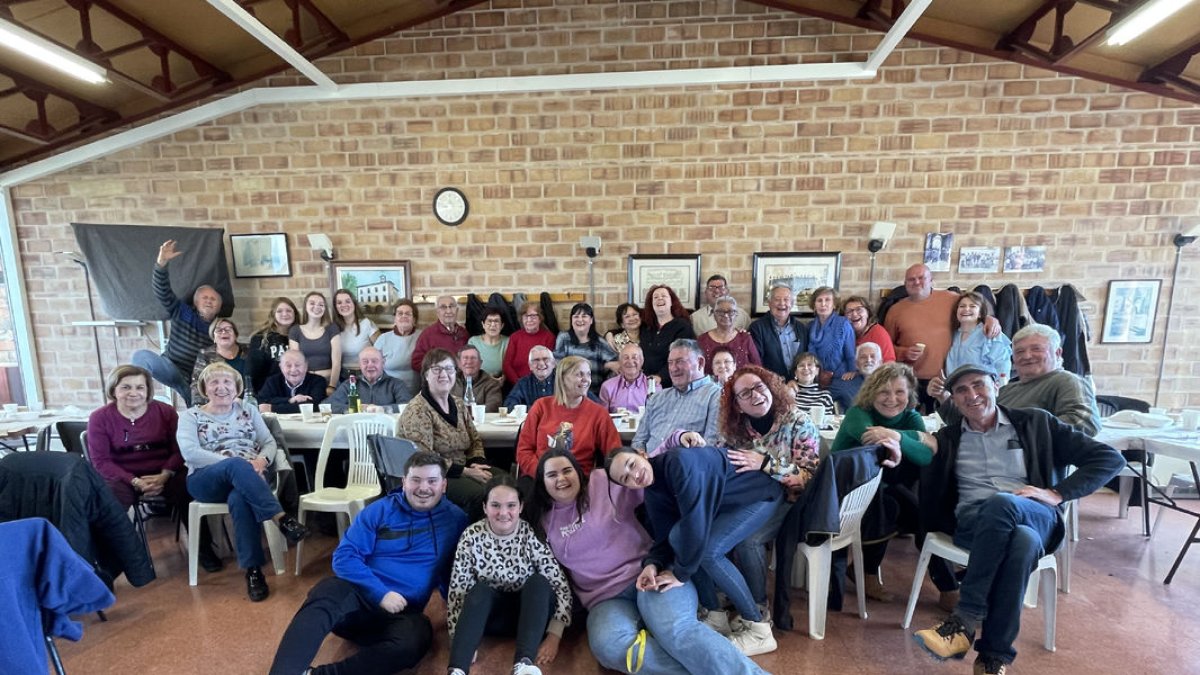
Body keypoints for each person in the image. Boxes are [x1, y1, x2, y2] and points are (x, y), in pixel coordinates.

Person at [912, 365, 1123, 675]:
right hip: (975, 523)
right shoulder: (948, 437)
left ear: (997, 386)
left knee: (1004, 504)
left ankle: (965, 619)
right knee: (1021, 542)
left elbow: (1109, 459)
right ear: (953, 400)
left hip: (1035, 513)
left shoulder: (1036, 424)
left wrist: (1057, 493)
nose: (972, 395)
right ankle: (993, 657)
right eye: (961, 390)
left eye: (978, 385)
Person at [527, 450, 767, 675]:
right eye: (552, 474)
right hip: (604, 600)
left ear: (578, 472)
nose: (561, 479)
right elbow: (553, 579)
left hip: (650, 573)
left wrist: (678, 438)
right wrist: (555, 632)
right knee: (609, 648)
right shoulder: (541, 522)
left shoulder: (602, 483)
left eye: (567, 470)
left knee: (676, 631)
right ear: (542, 482)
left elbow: (644, 469)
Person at [268, 451, 468, 675]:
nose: (424, 488)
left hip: (402, 612)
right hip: (357, 602)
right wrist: (380, 594)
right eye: (416, 480)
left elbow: (454, 570)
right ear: (404, 482)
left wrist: (459, 617)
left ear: (444, 485)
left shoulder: (456, 519)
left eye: (432, 481)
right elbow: (344, 557)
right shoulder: (380, 510)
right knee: (326, 592)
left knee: (417, 638)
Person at [607, 445, 781, 657]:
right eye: (626, 479)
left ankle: (759, 628)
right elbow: (664, 536)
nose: (634, 475)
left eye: (632, 464)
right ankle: (716, 617)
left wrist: (681, 574)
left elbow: (695, 524)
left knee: (708, 551)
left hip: (759, 495)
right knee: (678, 537)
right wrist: (652, 564)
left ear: (643, 454)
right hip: (727, 504)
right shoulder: (652, 491)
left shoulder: (679, 463)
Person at [177, 362, 310, 601]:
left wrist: (260, 462)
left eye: (227, 382)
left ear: (236, 387)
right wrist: (236, 465)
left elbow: (269, 443)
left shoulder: (248, 409)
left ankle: (253, 571)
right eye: (214, 382)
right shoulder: (190, 416)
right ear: (204, 388)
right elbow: (190, 453)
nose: (221, 387)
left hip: (251, 475)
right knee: (236, 465)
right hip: (206, 478)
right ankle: (282, 518)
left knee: (240, 498)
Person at [830, 362, 954, 606]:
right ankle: (868, 572)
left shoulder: (911, 417)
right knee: (899, 507)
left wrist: (896, 435)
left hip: (885, 490)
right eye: (884, 392)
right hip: (845, 493)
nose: (891, 399)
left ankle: (948, 588)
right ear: (871, 393)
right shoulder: (858, 414)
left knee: (916, 513)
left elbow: (924, 457)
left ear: (909, 395)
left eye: (900, 392)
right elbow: (877, 446)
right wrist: (917, 438)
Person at [719, 364, 821, 619]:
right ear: (737, 404)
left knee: (748, 540)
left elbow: (807, 477)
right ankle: (727, 592)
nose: (755, 395)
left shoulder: (798, 421)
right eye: (745, 394)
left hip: (793, 502)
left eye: (759, 387)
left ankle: (758, 608)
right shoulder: (737, 429)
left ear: (771, 388)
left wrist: (764, 464)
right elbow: (723, 461)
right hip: (752, 500)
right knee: (715, 526)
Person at [446, 475, 572, 675]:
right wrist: (460, 641)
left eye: (511, 505)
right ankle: (457, 670)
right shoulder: (471, 536)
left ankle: (523, 664)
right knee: (478, 590)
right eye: (495, 505)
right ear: (485, 507)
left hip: (530, 617)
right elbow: (457, 592)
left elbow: (559, 584)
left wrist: (554, 636)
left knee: (539, 582)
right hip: (490, 617)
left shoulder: (530, 534)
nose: (503, 513)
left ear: (521, 507)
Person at [930, 324, 1100, 437]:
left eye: (1036, 349)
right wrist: (944, 397)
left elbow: (1084, 423)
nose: (1027, 356)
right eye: (1019, 352)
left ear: (1057, 353)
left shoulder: (1067, 382)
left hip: (1029, 469)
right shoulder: (1008, 389)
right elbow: (968, 423)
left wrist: (1011, 434)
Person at [86, 364, 194, 537]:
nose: (133, 393)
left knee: (189, 485)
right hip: (122, 476)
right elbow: (101, 462)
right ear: (114, 390)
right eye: (126, 387)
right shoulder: (99, 418)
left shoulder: (166, 412)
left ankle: (203, 548)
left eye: (140, 387)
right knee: (109, 499)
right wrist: (134, 481)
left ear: (148, 390)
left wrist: (164, 475)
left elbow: (180, 450)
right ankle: (117, 555)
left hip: (165, 472)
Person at [884, 264, 999, 412]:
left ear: (931, 280)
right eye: (911, 279)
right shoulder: (895, 310)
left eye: (921, 278)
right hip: (910, 379)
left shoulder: (950, 299)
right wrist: (904, 352)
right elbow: (886, 347)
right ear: (905, 283)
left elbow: (974, 307)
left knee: (946, 421)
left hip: (947, 379)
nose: (916, 282)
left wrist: (989, 318)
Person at [397, 349, 494, 519]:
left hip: (465, 467)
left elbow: (475, 439)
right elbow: (424, 457)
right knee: (480, 494)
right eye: (437, 369)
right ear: (426, 375)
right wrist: (466, 472)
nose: (444, 374)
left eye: (449, 369)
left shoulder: (458, 403)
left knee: (504, 483)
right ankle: (470, 541)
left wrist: (475, 463)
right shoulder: (417, 410)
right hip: (433, 476)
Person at [132, 239, 223, 405]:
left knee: (198, 406)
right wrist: (162, 263)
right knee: (141, 356)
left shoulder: (220, 327)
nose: (209, 301)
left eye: (213, 299)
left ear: (219, 307)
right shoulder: (182, 311)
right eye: (205, 298)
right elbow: (162, 290)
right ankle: (138, 397)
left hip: (191, 378)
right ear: (195, 302)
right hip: (170, 366)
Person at [516, 356, 621, 478]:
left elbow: (614, 453)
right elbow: (524, 451)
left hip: (579, 481)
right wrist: (543, 474)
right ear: (562, 378)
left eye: (588, 374)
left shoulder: (599, 413)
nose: (586, 380)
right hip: (540, 477)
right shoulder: (541, 406)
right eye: (579, 374)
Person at [631, 339, 721, 453]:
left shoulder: (716, 396)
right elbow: (639, 441)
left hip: (682, 467)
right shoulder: (657, 398)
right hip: (646, 466)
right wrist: (642, 460)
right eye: (670, 362)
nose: (673, 368)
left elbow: (710, 448)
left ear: (700, 363)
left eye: (680, 361)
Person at [806, 286, 858, 411]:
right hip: (816, 378)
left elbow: (850, 353)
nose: (823, 304)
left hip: (840, 376)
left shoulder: (843, 324)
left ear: (834, 305)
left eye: (827, 300)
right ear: (814, 305)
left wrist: (852, 371)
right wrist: (819, 374)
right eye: (819, 300)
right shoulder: (810, 326)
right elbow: (808, 356)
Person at [944, 291, 1013, 384]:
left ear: (980, 313)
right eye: (962, 306)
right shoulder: (954, 335)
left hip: (984, 392)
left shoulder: (991, 335)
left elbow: (1002, 366)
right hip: (956, 391)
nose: (966, 309)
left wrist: (1000, 392)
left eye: (972, 306)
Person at [552, 302, 618, 394]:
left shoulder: (600, 342)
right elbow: (558, 366)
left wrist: (606, 367)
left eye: (584, 316)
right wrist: (602, 365)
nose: (580, 319)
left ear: (591, 320)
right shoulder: (563, 338)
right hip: (568, 393)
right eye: (576, 316)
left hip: (594, 394)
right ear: (571, 320)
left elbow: (615, 365)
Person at [748, 283, 807, 382]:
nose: (782, 303)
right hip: (771, 386)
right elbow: (756, 363)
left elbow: (806, 357)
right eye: (777, 299)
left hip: (799, 385)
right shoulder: (757, 328)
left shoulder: (801, 328)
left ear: (792, 304)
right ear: (769, 303)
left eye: (786, 299)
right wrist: (778, 383)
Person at [326, 346, 410, 413]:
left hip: (386, 431)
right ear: (359, 364)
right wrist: (356, 408)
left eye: (374, 361)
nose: (370, 365)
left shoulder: (396, 384)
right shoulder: (350, 384)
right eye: (365, 361)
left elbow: (407, 407)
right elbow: (327, 405)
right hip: (356, 430)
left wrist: (382, 409)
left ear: (383, 363)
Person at [289, 291, 342, 394]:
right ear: (305, 306)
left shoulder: (332, 328)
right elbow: (296, 363)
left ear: (325, 308)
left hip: (329, 381)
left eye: (321, 304)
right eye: (312, 303)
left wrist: (332, 386)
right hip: (305, 383)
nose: (317, 307)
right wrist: (315, 375)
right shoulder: (295, 331)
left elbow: (336, 363)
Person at [640, 285, 696, 382]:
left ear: (671, 302)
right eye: (655, 297)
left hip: (672, 383)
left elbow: (683, 357)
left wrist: (660, 377)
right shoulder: (646, 326)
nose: (659, 298)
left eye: (664, 296)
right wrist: (610, 333)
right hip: (645, 382)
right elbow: (628, 328)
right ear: (651, 304)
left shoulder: (682, 326)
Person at [189, 318, 248, 405]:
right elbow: (197, 383)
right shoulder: (206, 355)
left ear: (235, 335)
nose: (224, 332)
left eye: (228, 329)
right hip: (219, 404)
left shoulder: (248, 351)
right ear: (214, 337)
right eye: (219, 330)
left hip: (248, 401)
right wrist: (199, 408)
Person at [696, 295, 761, 373]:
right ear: (714, 314)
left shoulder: (745, 338)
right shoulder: (702, 340)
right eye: (720, 312)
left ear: (736, 314)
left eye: (730, 312)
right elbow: (697, 370)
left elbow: (758, 368)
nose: (726, 315)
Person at [247, 297, 299, 393]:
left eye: (289, 311)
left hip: (296, 390)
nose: (285, 314)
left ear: (295, 314)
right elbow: (252, 370)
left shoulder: (300, 336)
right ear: (273, 315)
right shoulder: (260, 338)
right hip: (267, 391)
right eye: (279, 311)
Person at [375, 299, 423, 396]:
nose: (404, 316)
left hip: (416, 394)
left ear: (414, 319)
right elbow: (374, 366)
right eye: (400, 313)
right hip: (388, 393)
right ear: (395, 319)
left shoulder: (423, 337)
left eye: (408, 314)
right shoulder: (383, 339)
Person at [410, 295, 469, 373]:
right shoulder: (428, 335)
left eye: (451, 306)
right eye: (443, 307)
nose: (448, 311)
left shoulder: (464, 333)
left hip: (462, 382)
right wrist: (440, 368)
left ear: (457, 310)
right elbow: (416, 363)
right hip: (440, 381)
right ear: (437, 312)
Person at [257, 349, 327, 414]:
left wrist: (272, 408)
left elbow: (314, 407)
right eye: (288, 365)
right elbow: (261, 401)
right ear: (281, 367)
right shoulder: (272, 381)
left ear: (306, 366)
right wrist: (289, 400)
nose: (293, 370)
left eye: (297, 365)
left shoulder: (318, 381)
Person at [503, 302, 557, 385]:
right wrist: (519, 383)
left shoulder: (549, 337)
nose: (529, 320)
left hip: (541, 383)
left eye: (533, 316)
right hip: (517, 384)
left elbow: (549, 365)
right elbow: (507, 365)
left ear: (540, 318)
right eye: (526, 316)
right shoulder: (515, 337)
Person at [333, 289, 381, 380]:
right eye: (339, 302)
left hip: (365, 374)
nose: (344, 305)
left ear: (354, 303)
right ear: (335, 307)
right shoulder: (333, 328)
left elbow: (382, 350)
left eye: (348, 301)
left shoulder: (366, 324)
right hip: (342, 376)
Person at [841, 294, 896, 363]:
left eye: (859, 309)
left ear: (868, 313)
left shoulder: (878, 333)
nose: (854, 314)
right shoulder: (844, 334)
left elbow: (889, 364)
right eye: (849, 311)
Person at [451, 345, 503, 413]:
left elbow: (493, 407)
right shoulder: (450, 381)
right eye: (465, 358)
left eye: (473, 358)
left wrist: (467, 414)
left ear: (480, 363)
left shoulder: (491, 384)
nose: (469, 362)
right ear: (459, 363)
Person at [599, 343, 649, 413]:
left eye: (635, 357)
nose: (630, 361)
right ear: (620, 362)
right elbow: (603, 418)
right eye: (626, 358)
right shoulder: (607, 387)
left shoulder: (653, 386)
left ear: (642, 361)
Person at [788, 352, 835, 416]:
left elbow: (827, 422)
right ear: (795, 372)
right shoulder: (788, 393)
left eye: (810, 365)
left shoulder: (825, 396)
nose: (806, 368)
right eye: (801, 365)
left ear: (817, 371)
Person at [468, 308, 509, 379]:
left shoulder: (507, 341)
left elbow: (509, 368)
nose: (493, 325)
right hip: (478, 382)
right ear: (483, 324)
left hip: (500, 383)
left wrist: (503, 378)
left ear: (502, 326)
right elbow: (469, 367)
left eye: (496, 321)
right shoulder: (473, 342)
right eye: (489, 321)